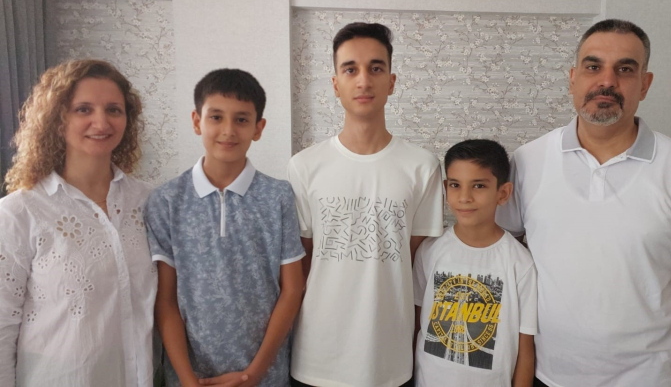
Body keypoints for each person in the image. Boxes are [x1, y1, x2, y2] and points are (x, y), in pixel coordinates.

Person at [496, 19, 671, 387]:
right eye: (593, 66)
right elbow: (503, 255)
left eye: (625, 69)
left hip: (647, 377)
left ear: (645, 84)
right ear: (573, 78)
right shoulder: (527, 161)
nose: (607, 81)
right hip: (547, 373)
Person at [287, 22, 444, 387]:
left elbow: (416, 261)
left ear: (391, 81)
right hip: (316, 358)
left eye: (375, 68)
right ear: (335, 84)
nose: (363, 81)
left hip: (388, 360)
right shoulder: (304, 166)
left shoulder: (422, 167)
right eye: (350, 69)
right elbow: (302, 262)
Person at [0, 59, 157, 386]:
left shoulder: (148, 202)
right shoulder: (19, 213)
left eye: (114, 110)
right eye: (83, 109)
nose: (101, 122)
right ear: (57, 120)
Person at [145, 69, 305, 387]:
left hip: (265, 375)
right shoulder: (166, 200)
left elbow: (292, 290)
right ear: (197, 121)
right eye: (216, 117)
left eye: (242, 119)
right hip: (191, 376)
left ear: (258, 128)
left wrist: (253, 374)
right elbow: (166, 301)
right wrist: (188, 380)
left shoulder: (278, 196)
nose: (228, 130)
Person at [413, 139, 536, 387]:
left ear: (503, 193)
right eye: (455, 185)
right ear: (446, 188)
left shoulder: (520, 263)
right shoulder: (429, 251)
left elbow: (526, 348)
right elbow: (415, 325)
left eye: (478, 185)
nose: (464, 197)